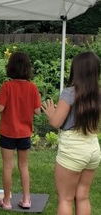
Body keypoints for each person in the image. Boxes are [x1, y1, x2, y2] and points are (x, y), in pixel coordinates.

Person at [42, 52, 100, 215]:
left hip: (73, 149)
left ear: (77, 70)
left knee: (65, 198)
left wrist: (51, 112)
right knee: (82, 196)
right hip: (93, 148)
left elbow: (56, 122)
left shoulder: (69, 93)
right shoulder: (98, 94)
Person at [0, 52, 41, 210]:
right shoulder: (32, 87)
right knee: (24, 166)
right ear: (28, 68)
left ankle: (6, 201)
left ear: (11, 67)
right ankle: (27, 200)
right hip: (25, 133)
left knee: (8, 166)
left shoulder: (6, 86)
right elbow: (37, 111)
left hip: (8, 132)